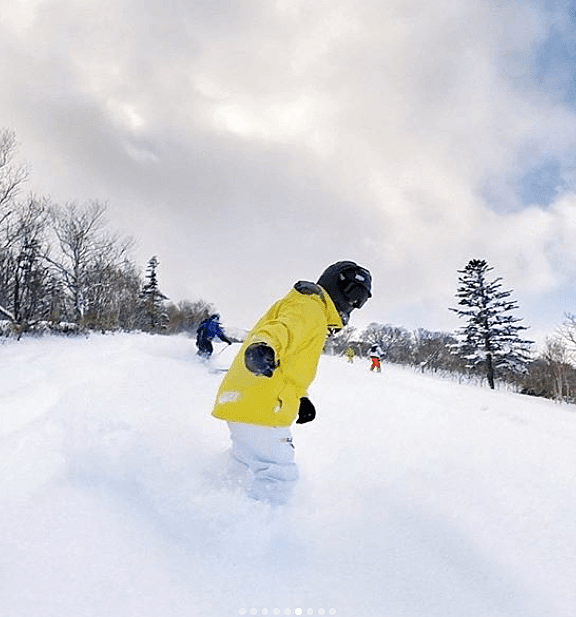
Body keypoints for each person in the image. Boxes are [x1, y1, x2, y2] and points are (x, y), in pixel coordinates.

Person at [211, 261, 372, 505]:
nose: (354, 305)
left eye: (362, 301)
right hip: (262, 405)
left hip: (247, 398)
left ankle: (215, 506)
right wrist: (262, 347)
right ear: (337, 286)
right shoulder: (310, 307)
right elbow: (281, 329)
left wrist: (301, 397)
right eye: (355, 295)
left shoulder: (309, 308)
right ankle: (255, 532)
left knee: (244, 463)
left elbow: (292, 363)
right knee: (279, 477)